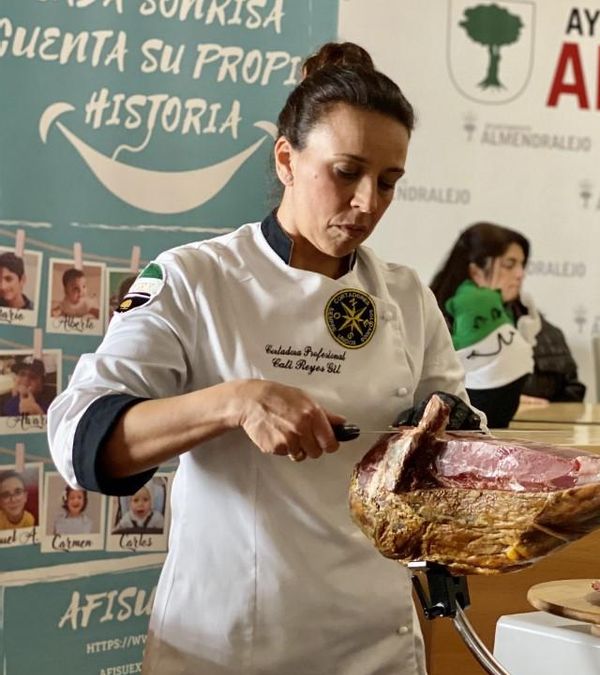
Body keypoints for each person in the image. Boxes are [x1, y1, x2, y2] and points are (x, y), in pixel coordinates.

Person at [47, 42, 472, 674]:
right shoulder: (196, 278)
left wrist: (445, 432)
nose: (367, 203)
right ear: (286, 160)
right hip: (229, 640)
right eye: (346, 172)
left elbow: (460, 440)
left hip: (375, 640)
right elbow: (78, 440)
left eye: (388, 182)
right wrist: (234, 401)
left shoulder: (407, 297)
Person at [430, 223, 557, 426]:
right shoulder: (431, 321)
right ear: (476, 271)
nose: (520, 274)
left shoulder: (536, 323)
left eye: (522, 265)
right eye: (509, 264)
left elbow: (572, 388)